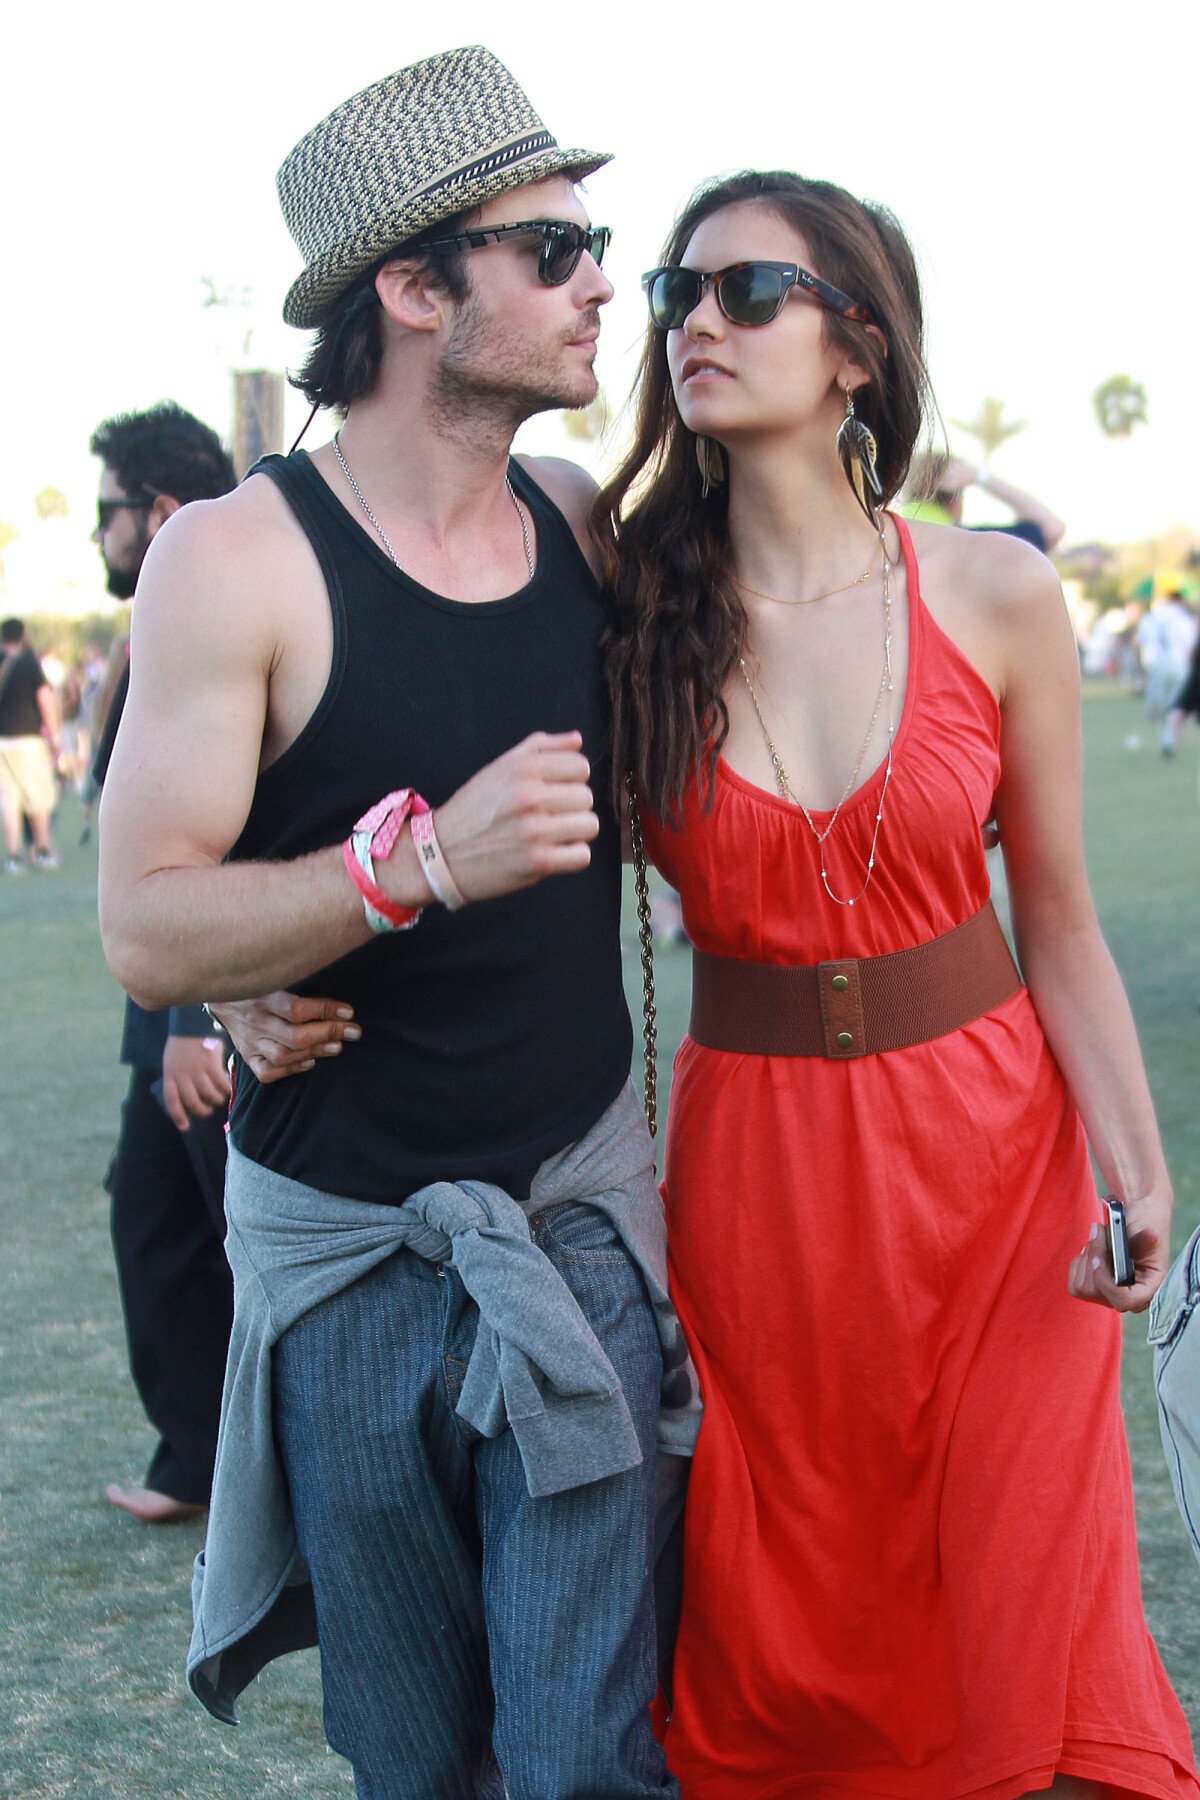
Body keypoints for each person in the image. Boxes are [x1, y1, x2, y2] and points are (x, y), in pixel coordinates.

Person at [97, 46, 696, 1800]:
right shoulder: (234, 557)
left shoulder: (579, 520)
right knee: (417, 1758)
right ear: (417, 289)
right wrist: (402, 875)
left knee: (584, 1753)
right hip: (346, 1256)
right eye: (555, 246)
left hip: (577, 1225)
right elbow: (143, 927)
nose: (604, 282)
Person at [594, 170, 1199, 1798]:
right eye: (676, 293)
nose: (698, 324)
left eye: (749, 293)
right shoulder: (626, 597)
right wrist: (227, 999)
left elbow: (1059, 919)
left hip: (1000, 1166)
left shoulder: (997, 593)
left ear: (856, 345)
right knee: (795, 1603)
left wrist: (1142, 1169)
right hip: (760, 1176)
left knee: (1010, 1583)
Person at [90, 402, 239, 1524]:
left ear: (165, 515)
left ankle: (268, 1489)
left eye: (110, 513)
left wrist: (198, 1014)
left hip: (213, 1004)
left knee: (243, 1244)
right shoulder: (155, 635)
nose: (101, 536)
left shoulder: (212, 626)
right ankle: (196, 1462)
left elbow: (220, 829)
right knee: (154, 1221)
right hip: (167, 1004)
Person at [907, 450, 1066, 552]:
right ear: (955, 504)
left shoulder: (889, 534)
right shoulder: (973, 545)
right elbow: (1052, 528)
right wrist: (980, 477)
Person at [0, 617, 61, 871]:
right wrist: (54, 735)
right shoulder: (28, 661)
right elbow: (44, 696)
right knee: (38, 798)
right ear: (22, 635)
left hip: (2, 740)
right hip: (29, 739)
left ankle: (13, 856)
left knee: (8, 800)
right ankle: (43, 849)